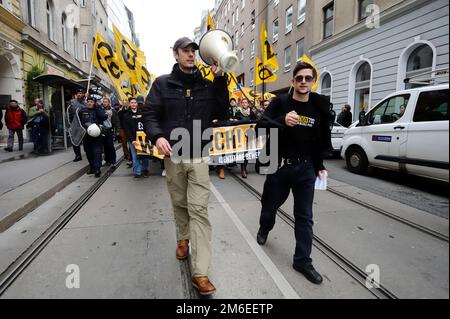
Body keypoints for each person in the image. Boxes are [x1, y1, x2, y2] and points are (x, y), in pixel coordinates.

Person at [143, 37, 229, 296]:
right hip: (173, 156)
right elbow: (149, 114)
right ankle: (183, 237)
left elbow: (223, 111)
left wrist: (221, 79)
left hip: (199, 154)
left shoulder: (206, 84)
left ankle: (200, 273)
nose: (191, 54)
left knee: (199, 210)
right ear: (176, 55)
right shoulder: (162, 84)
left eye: (194, 51)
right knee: (180, 203)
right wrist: (157, 136)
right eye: (186, 51)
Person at [256, 62, 333, 285]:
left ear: (313, 82)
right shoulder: (280, 102)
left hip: (306, 170)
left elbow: (318, 140)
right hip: (279, 166)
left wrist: (319, 165)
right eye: (299, 78)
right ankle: (265, 227)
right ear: (293, 81)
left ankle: (302, 261)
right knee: (269, 207)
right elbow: (259, 127)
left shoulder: (318, 106)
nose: (303, 82)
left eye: (308, 78)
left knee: (305, 216)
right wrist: (281, 121)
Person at [78, 97, 107, 178]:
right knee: (88, 153)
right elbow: (77, 122)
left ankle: (97, 169)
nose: (89, 103)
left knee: (97, 152)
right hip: (86, 136)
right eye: (88, 101)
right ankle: (92, 168)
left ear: (94, 103)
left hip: (97, 136)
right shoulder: (82, 111)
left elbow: (104, 117)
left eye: (91, 102)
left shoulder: (98, 110)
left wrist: (98, 108)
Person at [124, 97, 150, 179]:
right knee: (135, 156)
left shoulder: (142, 113)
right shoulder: (126, 115)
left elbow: (146, 126)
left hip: (143, 138)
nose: (133, 104)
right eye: (132, 102)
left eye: (135, 102)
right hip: (133, 139)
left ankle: (145, 169)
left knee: (145, 155)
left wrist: (147, 137)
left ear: (137, 104)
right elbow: (127, 129)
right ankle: (138, 172)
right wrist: (132, 140)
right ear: (129, 104)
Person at [236, 98, 256, 178]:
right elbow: (235, 122)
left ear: (248, 104)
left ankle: (244, 167)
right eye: (243, 102)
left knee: (247, 152)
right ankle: (243, 169)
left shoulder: (251, 112)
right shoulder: (238, 113)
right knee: (242, 152)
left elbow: (255, 121)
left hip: (249, 135)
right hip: (240, 135)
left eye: (246, 102)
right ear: (241, 104)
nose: (244, 104)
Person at [68, 89, 87, 162]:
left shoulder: (86, 102)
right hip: (75, 123)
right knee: (75, 140)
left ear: (83, 94)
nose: (79, 94)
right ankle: (78, 155)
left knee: (86, 140)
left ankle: (87, 151)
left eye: (81, 93)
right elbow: (68, 113)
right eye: (78, 93)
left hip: (84, 124)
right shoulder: (72, 102)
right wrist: (70, 123)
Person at [101, 97, 119, 167]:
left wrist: (117, 130)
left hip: (110, 130)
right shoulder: (101, 110)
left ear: (109, 103)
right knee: (105, 146)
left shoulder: (113, 110)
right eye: (104, 102)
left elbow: (117, 121)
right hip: (103, 130)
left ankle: (113, 160)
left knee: (110, 146)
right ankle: (107, 160)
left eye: (106, 102)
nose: (105, 103)